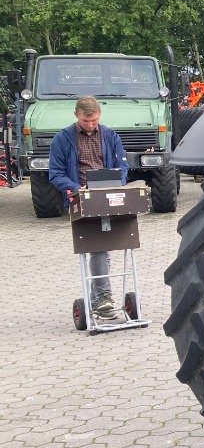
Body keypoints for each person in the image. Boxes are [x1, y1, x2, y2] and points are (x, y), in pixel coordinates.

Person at [48, 96, 129, 317]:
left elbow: (122, 166)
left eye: (94, 120)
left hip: (107, 196)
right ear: (77, 116)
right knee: (99, 246)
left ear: (99, 116)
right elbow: (55, 174)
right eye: (86, 121)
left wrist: (117, 183)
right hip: (81, 199)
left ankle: (98, 301)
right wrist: (76, 188)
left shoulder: (110, 136)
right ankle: (103, 298)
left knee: (103, 248)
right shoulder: (62, 139)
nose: (91, 125)